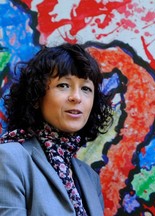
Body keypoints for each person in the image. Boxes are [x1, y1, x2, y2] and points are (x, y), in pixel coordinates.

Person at [0, 43, 113, 215]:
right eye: (63, 85)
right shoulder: (9, 158)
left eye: (85, 88)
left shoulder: (89, 177)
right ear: (36, 97)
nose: (76, 97)